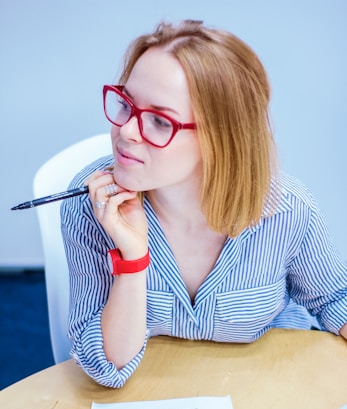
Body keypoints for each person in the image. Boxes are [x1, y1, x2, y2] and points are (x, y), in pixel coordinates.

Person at [61, 19, 347, 388]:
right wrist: (132, 259)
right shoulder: (92, 206)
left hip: (269, 387)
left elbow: (333, 299)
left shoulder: (288, 209)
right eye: (126, 104)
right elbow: (106, 366)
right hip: (154, 397)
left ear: (220, 137)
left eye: (160, 121)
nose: (126, 132)